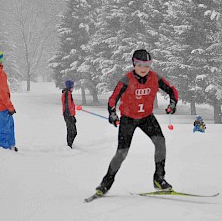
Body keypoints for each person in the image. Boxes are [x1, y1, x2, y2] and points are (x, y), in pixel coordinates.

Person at [94, 49, 179, 196]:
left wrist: (173, 103)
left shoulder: (155, 77)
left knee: (160, 142)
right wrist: (112, 114)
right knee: (122, 152)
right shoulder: (126, 79)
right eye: (140, 65)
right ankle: (105, 184)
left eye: (147, 66)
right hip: (128, 119)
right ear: (134, 64)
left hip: (146, 117)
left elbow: (172, 90)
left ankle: (159, 179)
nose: (144, 69)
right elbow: (113, 98)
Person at [61, 80, 77, 148]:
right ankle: (69, 146)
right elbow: (67, 105)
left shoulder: (68, 93)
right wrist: (70, 116)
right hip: (68, 115)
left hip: (70, 115)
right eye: (73, 86)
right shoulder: (67, 93)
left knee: (73, 132)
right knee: (72, 131)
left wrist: (73, 116)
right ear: (70, 86)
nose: (73, 87)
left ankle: (70, 145)